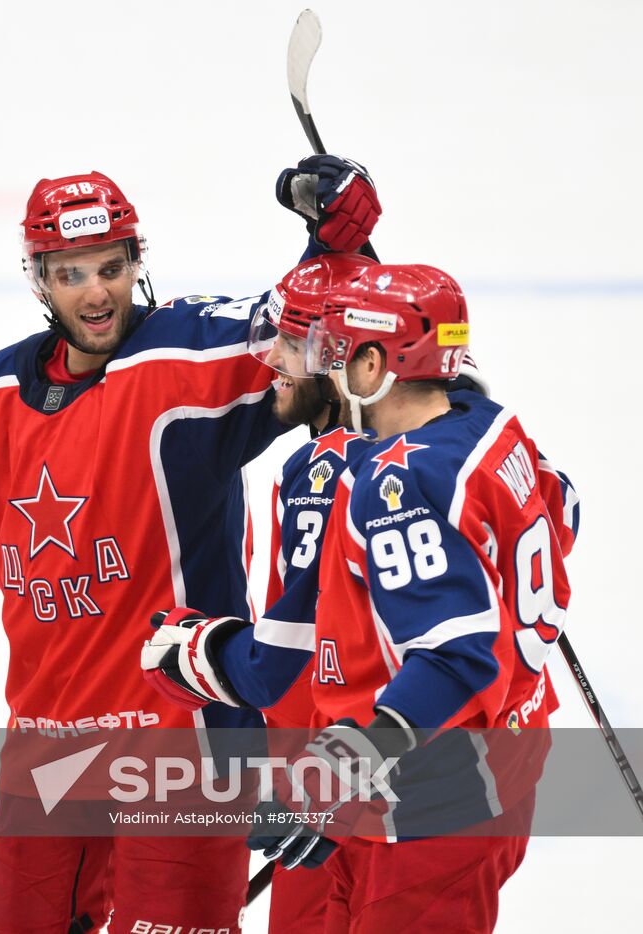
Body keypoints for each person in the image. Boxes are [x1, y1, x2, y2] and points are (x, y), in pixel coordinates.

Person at [0, 157, 381, 933]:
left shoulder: (189, 356)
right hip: (50, 748)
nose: (95, 291)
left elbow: (308, 323)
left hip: (183, 742)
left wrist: (336, 236)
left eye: (110, 267)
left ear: (137, 263)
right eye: (70, 273)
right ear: (38, 278)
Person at [142, 263, 576, 931]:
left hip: (434, 801)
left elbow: (455, 655)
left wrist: (335, 772)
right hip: (495, 757)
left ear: (375, 365)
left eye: (333, 349)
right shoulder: (490, 425)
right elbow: (564, 510)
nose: (310, 361)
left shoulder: (397, 480)